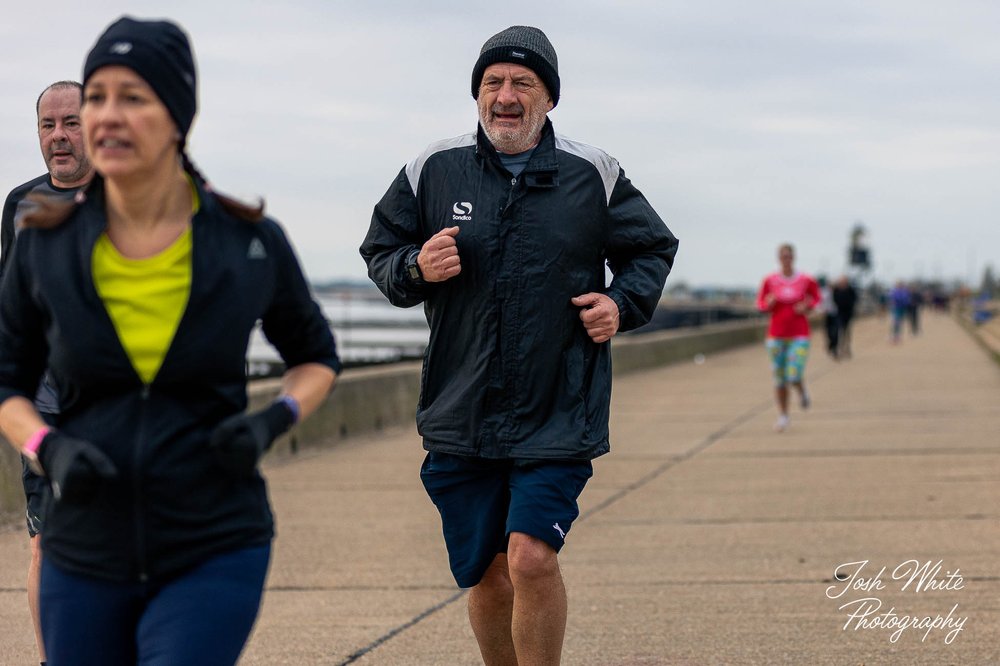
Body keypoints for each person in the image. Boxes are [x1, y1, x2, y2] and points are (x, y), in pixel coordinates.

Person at [0, 17, 340, 666]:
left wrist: (272, 421)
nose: (106, 116)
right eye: (96, 97)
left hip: (212, 541)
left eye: (133, 97)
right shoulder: (44, 242)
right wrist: (47, 446)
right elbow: (6, 379)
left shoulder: (246, 243)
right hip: (83, 546)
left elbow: (315, 357)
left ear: (178, 117)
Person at [361, 25, 677, 664]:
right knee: (487, 572)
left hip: (558, 404)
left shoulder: (594, 173)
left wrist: (620, 303)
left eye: (522, 84)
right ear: (477, 94)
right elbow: (380, 252)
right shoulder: (431, 168)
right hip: (462, 409)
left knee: (532, 557)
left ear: (549, 99)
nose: (505, 96)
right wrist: (416, 268)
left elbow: (652, 247)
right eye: (492, 83)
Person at [1, 79, 95, 666]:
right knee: (46, 544)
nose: (59, 136)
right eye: (48, 125)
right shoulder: (20, 204)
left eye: (71, 122)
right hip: (44, 408)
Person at [756, 243, 820, 432]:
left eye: (789, 256)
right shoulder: (770, 280)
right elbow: (760, 304)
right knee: (779, 379)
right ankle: (783, 415)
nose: (786, 259)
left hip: (799, 334)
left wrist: (807, 306)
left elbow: (817, 299)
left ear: (794, 257)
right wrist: (768, 303)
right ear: (779, 258)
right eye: (783, 256)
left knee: (794, 373)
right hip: (776, 335)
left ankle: (801, 391)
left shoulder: (806, 280)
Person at [831, 274, 858, 358]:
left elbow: (854, 299)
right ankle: (838, 348)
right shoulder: (836, 290)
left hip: (848, 314)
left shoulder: (850, 290)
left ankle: (846, 348)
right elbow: (834, 299)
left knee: (846, 332)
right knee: (837, 330)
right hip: (839, 313)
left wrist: (850, 306)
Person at [817, 276, 839, 359]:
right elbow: (818, 303)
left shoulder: (833, 290)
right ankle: (830, 345)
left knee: (836, 331)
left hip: (834, 313)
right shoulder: (820, 291)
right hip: (825, 314)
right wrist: (820, 310)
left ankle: (834, 348)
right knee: (828, 332)